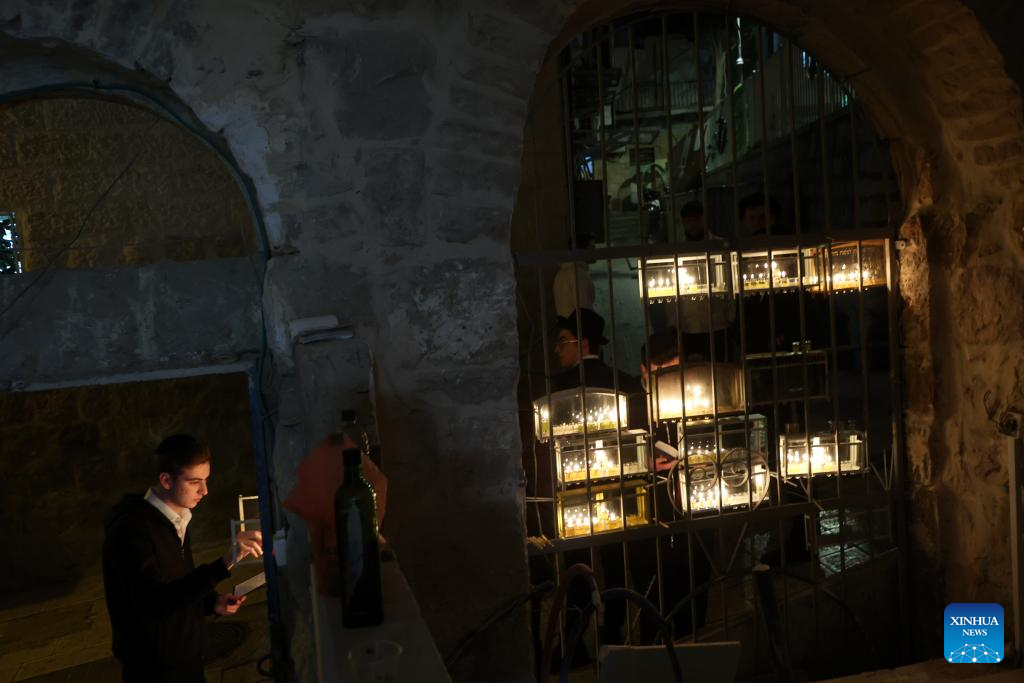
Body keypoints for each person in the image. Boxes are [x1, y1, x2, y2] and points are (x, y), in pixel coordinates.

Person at [102, 434, 263, 683]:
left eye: (206, 480)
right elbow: (154, 602)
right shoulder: (132, 530)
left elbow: (178, 580)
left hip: (184, 656)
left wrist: (211, 603)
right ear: (166, 480)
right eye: (195, 482)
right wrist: (227, 561)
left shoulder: (177, 518)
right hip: (155, 668)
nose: (204, 491)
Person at [552, 234, 596, 318]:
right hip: (578, 325)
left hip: (568, 324)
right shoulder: (578, 275)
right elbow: (584, 310)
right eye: (592, 247)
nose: (595, 251)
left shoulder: (562, 273)